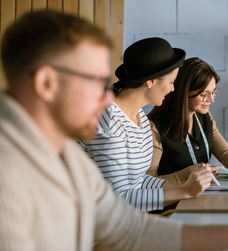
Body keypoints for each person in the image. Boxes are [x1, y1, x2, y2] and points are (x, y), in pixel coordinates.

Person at [0, 10, 228, 251]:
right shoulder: (7, 176)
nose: (108, 98)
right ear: (46, 83)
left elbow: (128, 227)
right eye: (94, 83)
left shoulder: (65, 156)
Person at [78, 38, 214, 212]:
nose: (173, 89)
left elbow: (139, 180)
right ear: (151, 81)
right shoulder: (109, 122)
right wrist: (185, 191)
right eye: (171, 82)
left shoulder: (139, 115)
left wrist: (190, 189)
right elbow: (119, 200)